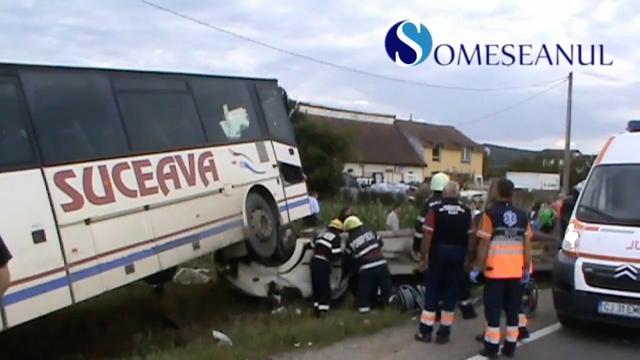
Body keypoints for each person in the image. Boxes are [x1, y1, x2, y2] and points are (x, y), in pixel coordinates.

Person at [472, 178, 533, 359]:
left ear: (497, 192)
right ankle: (510, 347)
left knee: (493, 310)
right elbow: (526, 246)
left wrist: (479, 267)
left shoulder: (490, 215)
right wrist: (526, 268)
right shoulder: (523, 216)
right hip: (516, 272)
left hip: (495, 271)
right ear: (512, 193)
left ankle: (491, 348)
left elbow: (484, 244)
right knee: (513, 310)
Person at [415, 181, 475, 344]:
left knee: (432, 292)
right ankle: (444, 333)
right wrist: (469, 258)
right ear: (457, 194)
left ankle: (425, 332)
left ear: (444, 193)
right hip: (458, 254)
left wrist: (423, 257)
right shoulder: (466, 212)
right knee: (450, 294)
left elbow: (427, 235)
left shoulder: (435, 210)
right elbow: (471, 237)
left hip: (438, 254)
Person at [343, 215, 392, 314]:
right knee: (385, 287)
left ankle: (364, 312)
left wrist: (350, 271)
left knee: (364, 291)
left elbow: (349, 259)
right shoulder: (370, 231)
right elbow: (380, 243)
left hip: (367, 267)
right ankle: (386, 308)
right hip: (382, 264)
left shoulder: (350, 241)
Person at [310, 218, 344, 316]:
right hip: (323, 263)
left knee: (316, 286)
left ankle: (316, 309)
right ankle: (323, 311)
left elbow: (312, 245)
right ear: (339, 230)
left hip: (314, 261)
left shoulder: (320, 234)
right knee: (324, 287)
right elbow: (336, 254)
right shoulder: (336, 237)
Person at [413, 172, 450, 256]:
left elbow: (419, 225)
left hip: (432, 247)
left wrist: (416, 247)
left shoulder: (429, 204)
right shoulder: (455, 205)